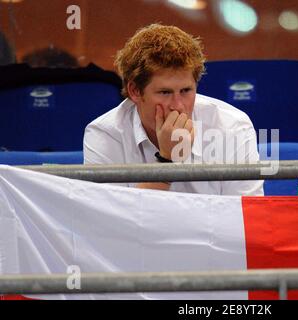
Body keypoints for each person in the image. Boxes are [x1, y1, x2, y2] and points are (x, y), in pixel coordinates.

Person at [83, 24, 264, 196]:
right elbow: (112, 223)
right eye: (165, 92)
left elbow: (247, 217)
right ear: (135, 91)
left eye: (186, 91)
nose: (177, 105)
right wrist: (167, 160)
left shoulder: (232, 126)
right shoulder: (104, 134)